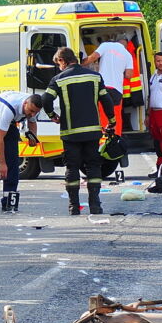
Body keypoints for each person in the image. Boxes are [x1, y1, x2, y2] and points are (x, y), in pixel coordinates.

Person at [42, 46, 116, 215]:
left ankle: (74, 206)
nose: (59, 67)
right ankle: (95, 205)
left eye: (58, 63)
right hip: (92, 131)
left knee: (72, 167)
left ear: (62, 60)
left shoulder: (58, 79)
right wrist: (112, 121)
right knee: (93, 166)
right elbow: (107, 101)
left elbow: (45, 98)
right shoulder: (95, 77)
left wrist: (52, 115)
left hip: (70, 133)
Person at [82, 35, 132, 136]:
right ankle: (116, 140)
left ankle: (103, 142)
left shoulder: (105, 46)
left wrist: (78, 65)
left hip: (103, 88)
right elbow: (128, 74)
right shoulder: (127, 54)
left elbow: (93, 58)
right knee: (116, 116)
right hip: (117, 90)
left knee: (104, 115)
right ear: (125, 44)